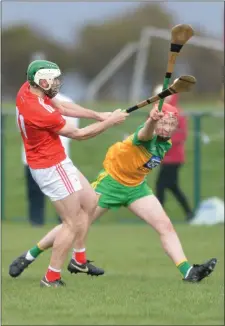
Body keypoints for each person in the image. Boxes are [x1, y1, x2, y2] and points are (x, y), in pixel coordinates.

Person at [10, 102, 217, 283]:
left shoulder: (167, 143)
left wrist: (157, 121)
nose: (167, 127)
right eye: (164, 122)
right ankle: (29, 255)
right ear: (154, 120)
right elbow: (145, 133)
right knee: (74, 225)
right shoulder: (145, 135)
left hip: (137, 188)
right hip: (110, 185)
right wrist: (152, 122)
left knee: (165, 226)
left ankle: (188, 271)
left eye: (172, 124)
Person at [11, 59, 128, 287]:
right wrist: (111, 122)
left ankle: (79, 260)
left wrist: (99, 115)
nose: (57, 83)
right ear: (41, 80)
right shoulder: (39, 110)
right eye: (53, 79)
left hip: (56, 161)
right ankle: (51, 277)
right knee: (71, 222)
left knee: (91, 201)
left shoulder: (27, 89)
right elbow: (78, 134)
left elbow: (63, 107)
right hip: (50, 166)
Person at [22, 92, 79, 226]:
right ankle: (36, 221)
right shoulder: (27, 101)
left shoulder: (66, 101)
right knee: (35, 191)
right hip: (34, 158)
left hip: (57, 157)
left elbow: (73, 129)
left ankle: (65, 221)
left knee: (64, 192)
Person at [153, 85, 193, 221]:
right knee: (171, 186)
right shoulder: (160, 112)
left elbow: (181, 136)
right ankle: (189, 213)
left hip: (174, 158)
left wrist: (163, 140)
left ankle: (159, 216)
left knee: (161, 185)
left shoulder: (177, 113)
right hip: (166, 157)